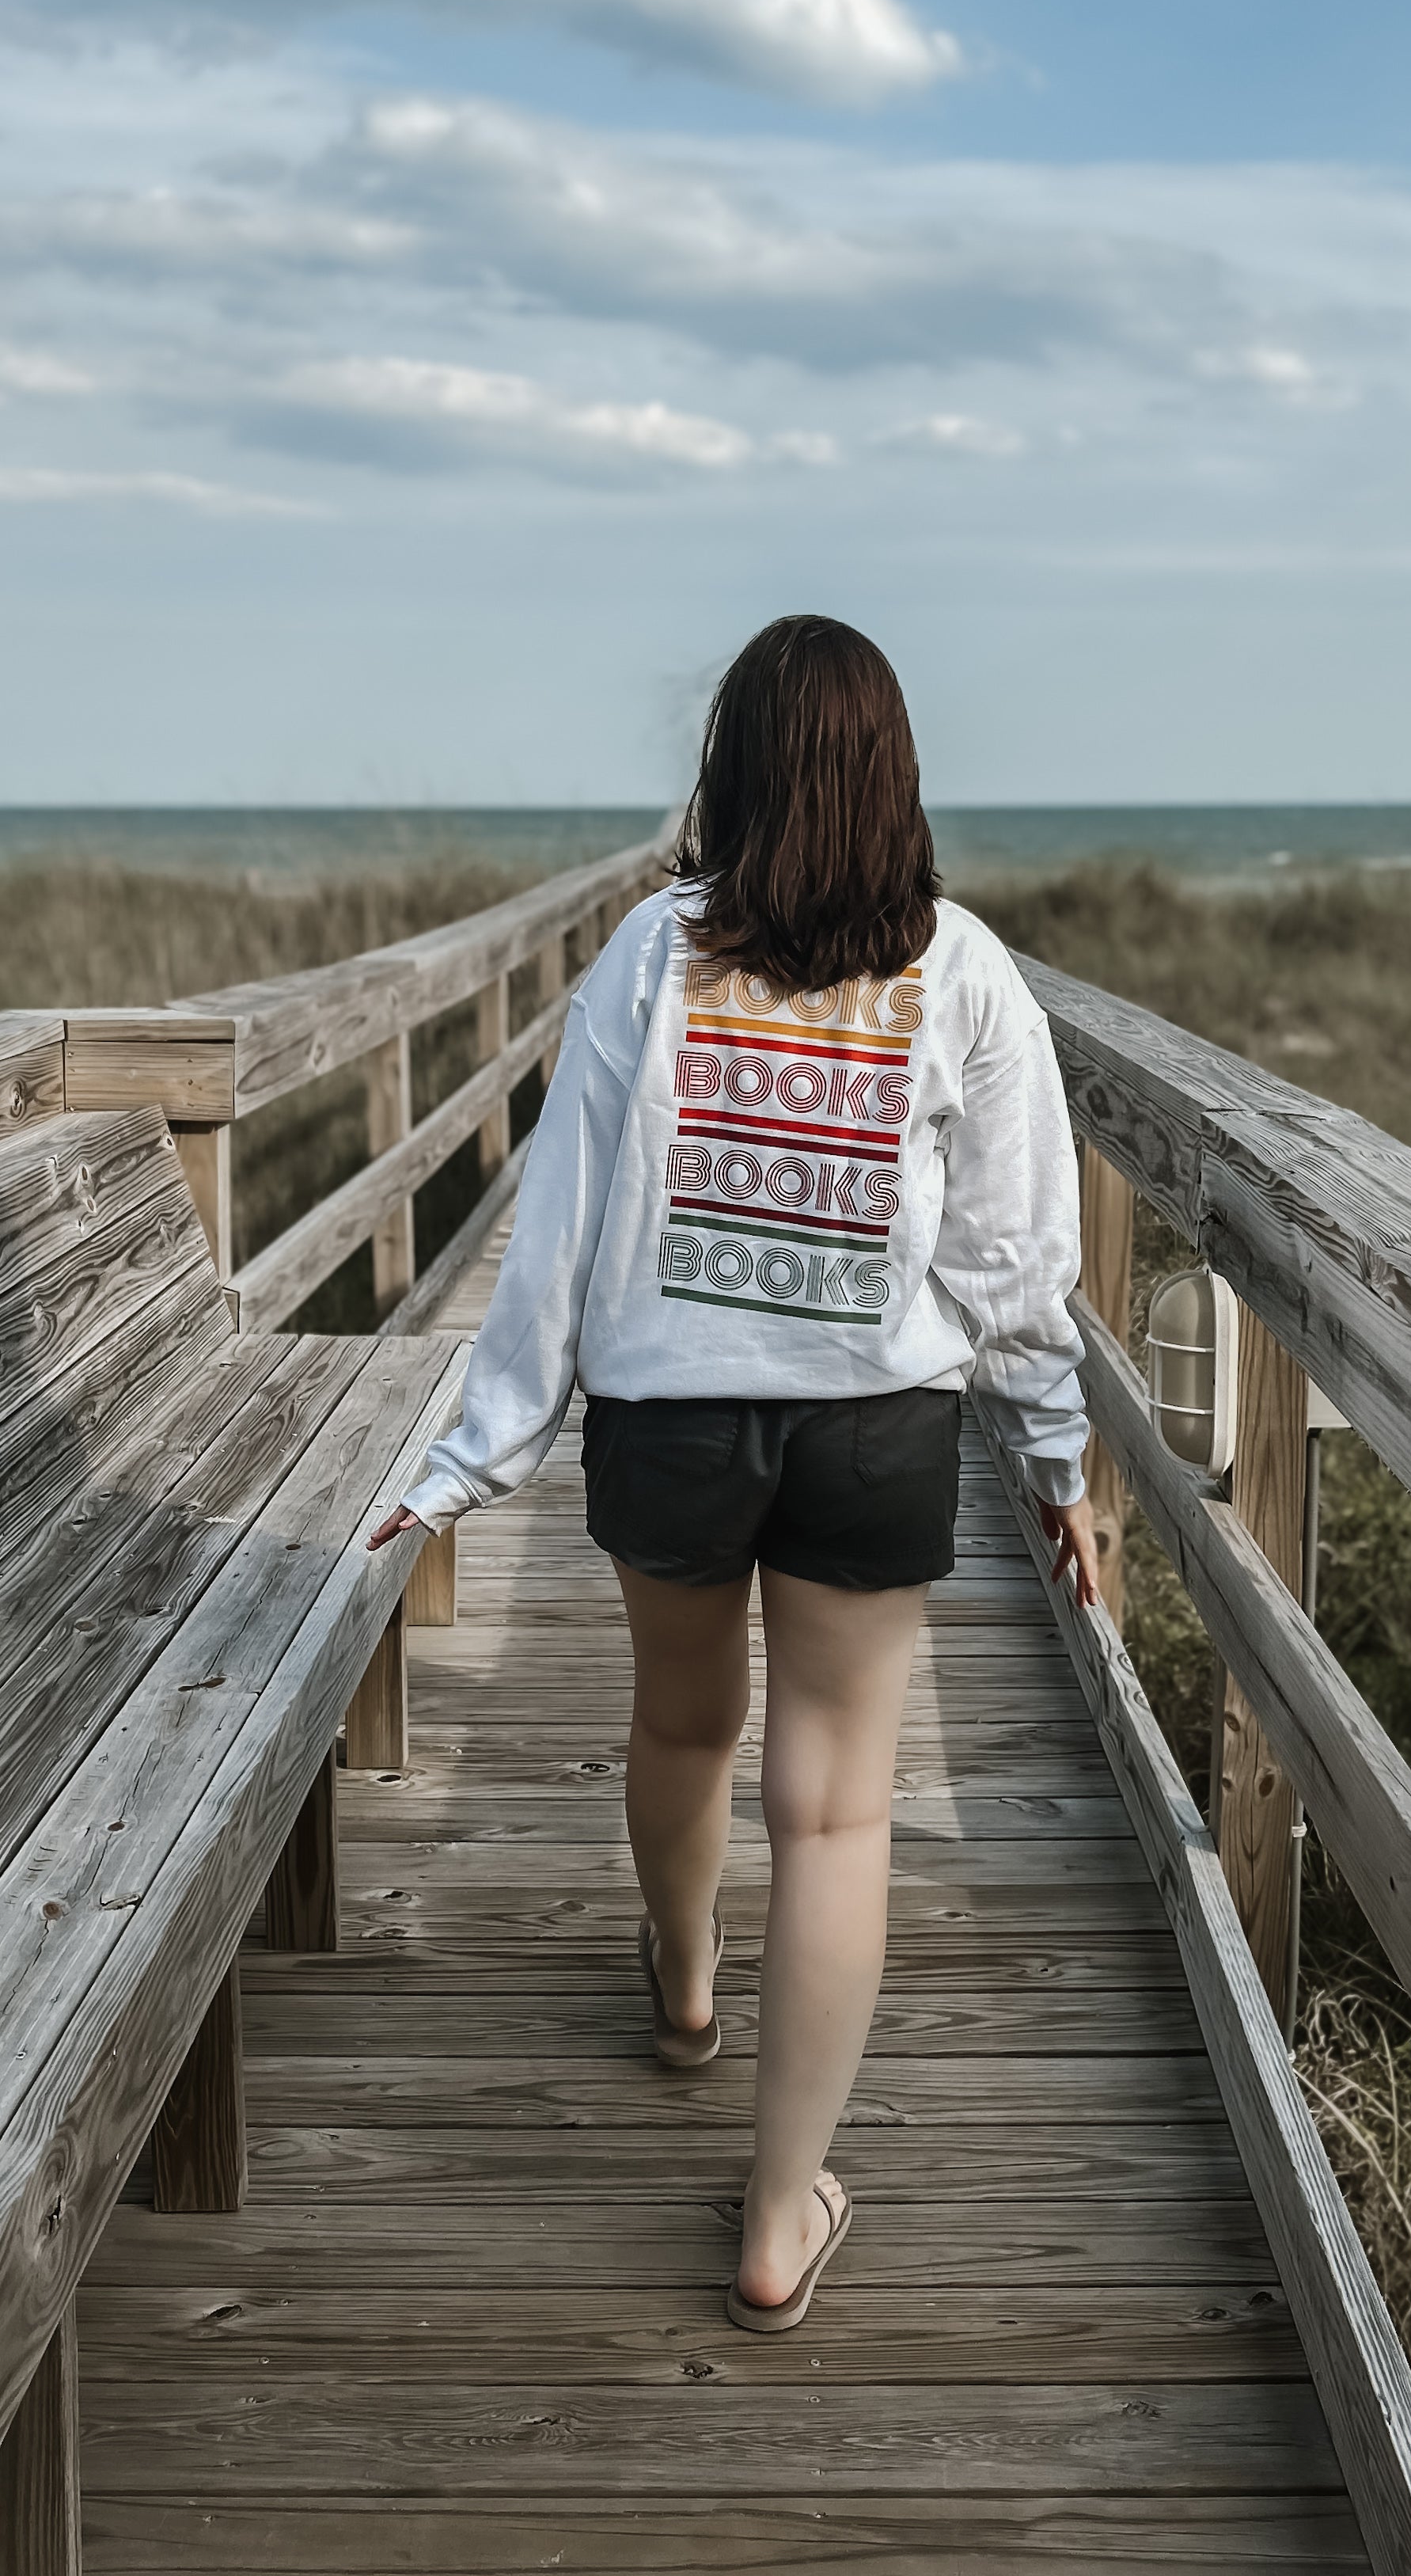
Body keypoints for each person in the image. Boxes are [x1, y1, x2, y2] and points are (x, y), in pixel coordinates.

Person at [369, 614, 1096, 2331]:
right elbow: (1011, 1258)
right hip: (875, 1429)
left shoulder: (652, 955)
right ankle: (781, 2217)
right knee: (836, 1808)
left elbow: (554, 1231)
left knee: (684, 1725)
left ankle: (687, 1984)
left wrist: (471, 1458)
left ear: (737, 773)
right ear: (894, 779)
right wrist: (1056, 1454)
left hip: (672, 1425)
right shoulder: (964, 971)